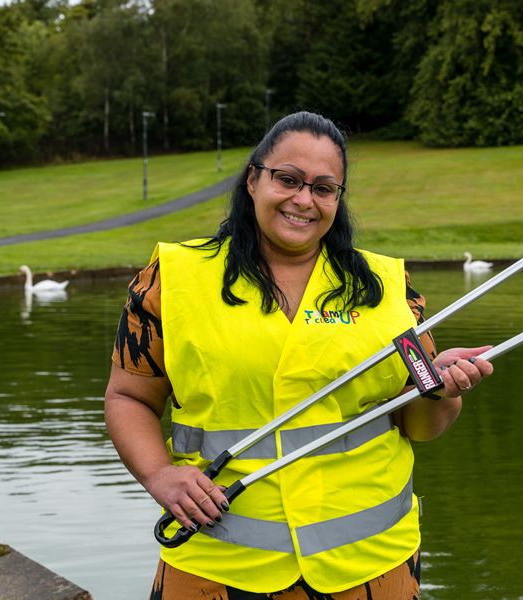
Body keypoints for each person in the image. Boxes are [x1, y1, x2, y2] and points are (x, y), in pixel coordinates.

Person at [104, 111, 493, 599]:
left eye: (324, 188)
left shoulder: (387, 289)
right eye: (287, 179)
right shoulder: (173, 279)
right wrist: (159, 475)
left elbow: (420, 423)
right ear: (253, 179)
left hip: (373, 566)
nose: (304, 200)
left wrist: (439, 390)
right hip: (217, 565)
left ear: (338, 198)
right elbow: (127, 398)